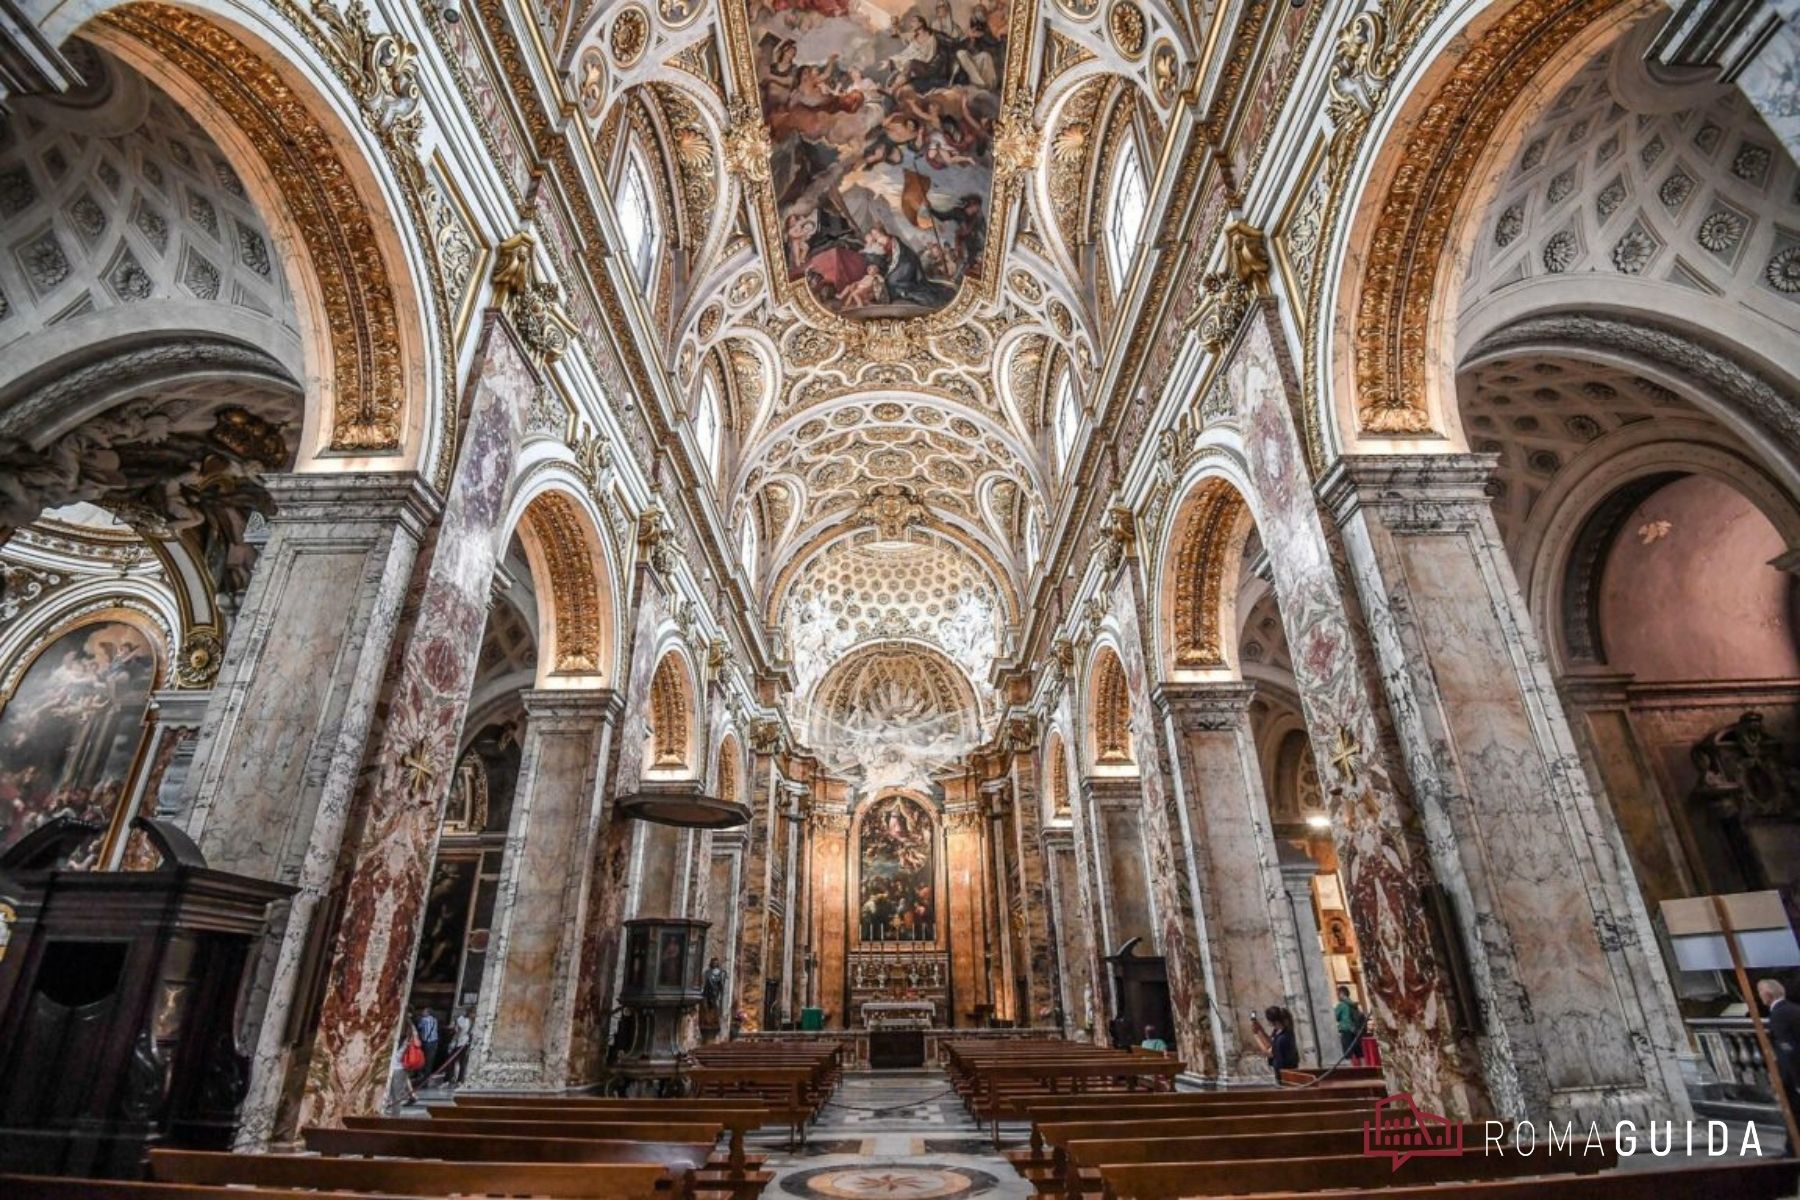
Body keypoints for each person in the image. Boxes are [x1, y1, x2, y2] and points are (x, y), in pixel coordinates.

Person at [1758, 978, 1800, 1112]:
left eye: (1760, 991)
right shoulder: (1794, 1008)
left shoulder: (1778, 1015)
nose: (1759, 995)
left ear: (1767, 994)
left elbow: (1787, 1048)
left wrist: (1796, 1080)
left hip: (1792, 1074)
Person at [1259, 1005, 1299, 1078]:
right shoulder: (1278, 1031)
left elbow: (1269, 1053)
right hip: (1283, 1071)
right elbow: (1271, 1042)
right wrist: (1260, 1030)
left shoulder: (1282, 1038)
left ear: (1274, 1021)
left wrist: (1255, 1035)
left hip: (1285, 1073)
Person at [1334, 985, 1366, 1064]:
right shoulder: (1354, 1004)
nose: (1337, 996)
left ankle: (1351, 1071)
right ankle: (1365, 1068)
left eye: (1338, 994)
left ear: (1342, 994)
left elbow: (1335, 1016)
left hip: (1346, 1030)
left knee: (1347, 1053)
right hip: (1355, 1030)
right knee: (1359, 1052)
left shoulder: (1341, 1005)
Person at [414, 1007, 439, 1084]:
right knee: (430, 1061)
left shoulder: (424, 1019)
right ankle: (427, 1078)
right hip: (434, 1042)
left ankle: (420, 1076)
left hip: (426, 1042)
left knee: (422, 1059)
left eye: (424, 1011)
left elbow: (419, 1026)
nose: (422, 1012)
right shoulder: (435, 1020)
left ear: (428, 1013)